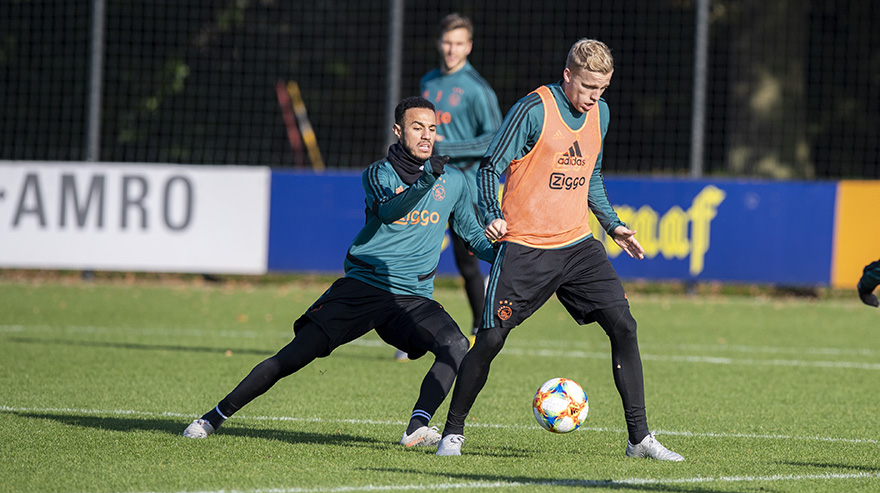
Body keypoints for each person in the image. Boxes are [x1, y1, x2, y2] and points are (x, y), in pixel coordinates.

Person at [182, 96, 496, 447]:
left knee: (455, 344)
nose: (426, 135)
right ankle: (213, 417)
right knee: (293, 357)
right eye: (417, 127)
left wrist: (506, 254)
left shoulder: (453, 181)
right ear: (398, 131)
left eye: (432, 128)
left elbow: (472, 237)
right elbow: (389, 211)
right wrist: (426, 180)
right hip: (363, 287)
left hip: (412, 297)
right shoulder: (378, 173)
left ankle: (417, 426)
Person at [435, 39, 684, 461]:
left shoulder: (600, 113)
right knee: (491, 339)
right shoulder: (534, 109)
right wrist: (491, 213)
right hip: (527, 246)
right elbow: (491, 164)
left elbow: (592, 175)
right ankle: (452, 433)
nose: (594, 97)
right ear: (568, 75)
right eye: (587, 87)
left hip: (577, 245)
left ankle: (639, 439)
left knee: (624, 326)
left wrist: (613, 225)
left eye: (602, 89)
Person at [392, 13, 502, 361]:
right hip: (427, 183)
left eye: (458, 43)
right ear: (439, 43)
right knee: (413, 255)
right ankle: (408, 333)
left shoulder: (478, 89)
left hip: (463, 186)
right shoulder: (429, 81)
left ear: (469, 46)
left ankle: (481, 328)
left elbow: (495, 138)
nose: (452, 49)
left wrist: (447, 148)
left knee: (466, 262)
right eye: (447, 42)